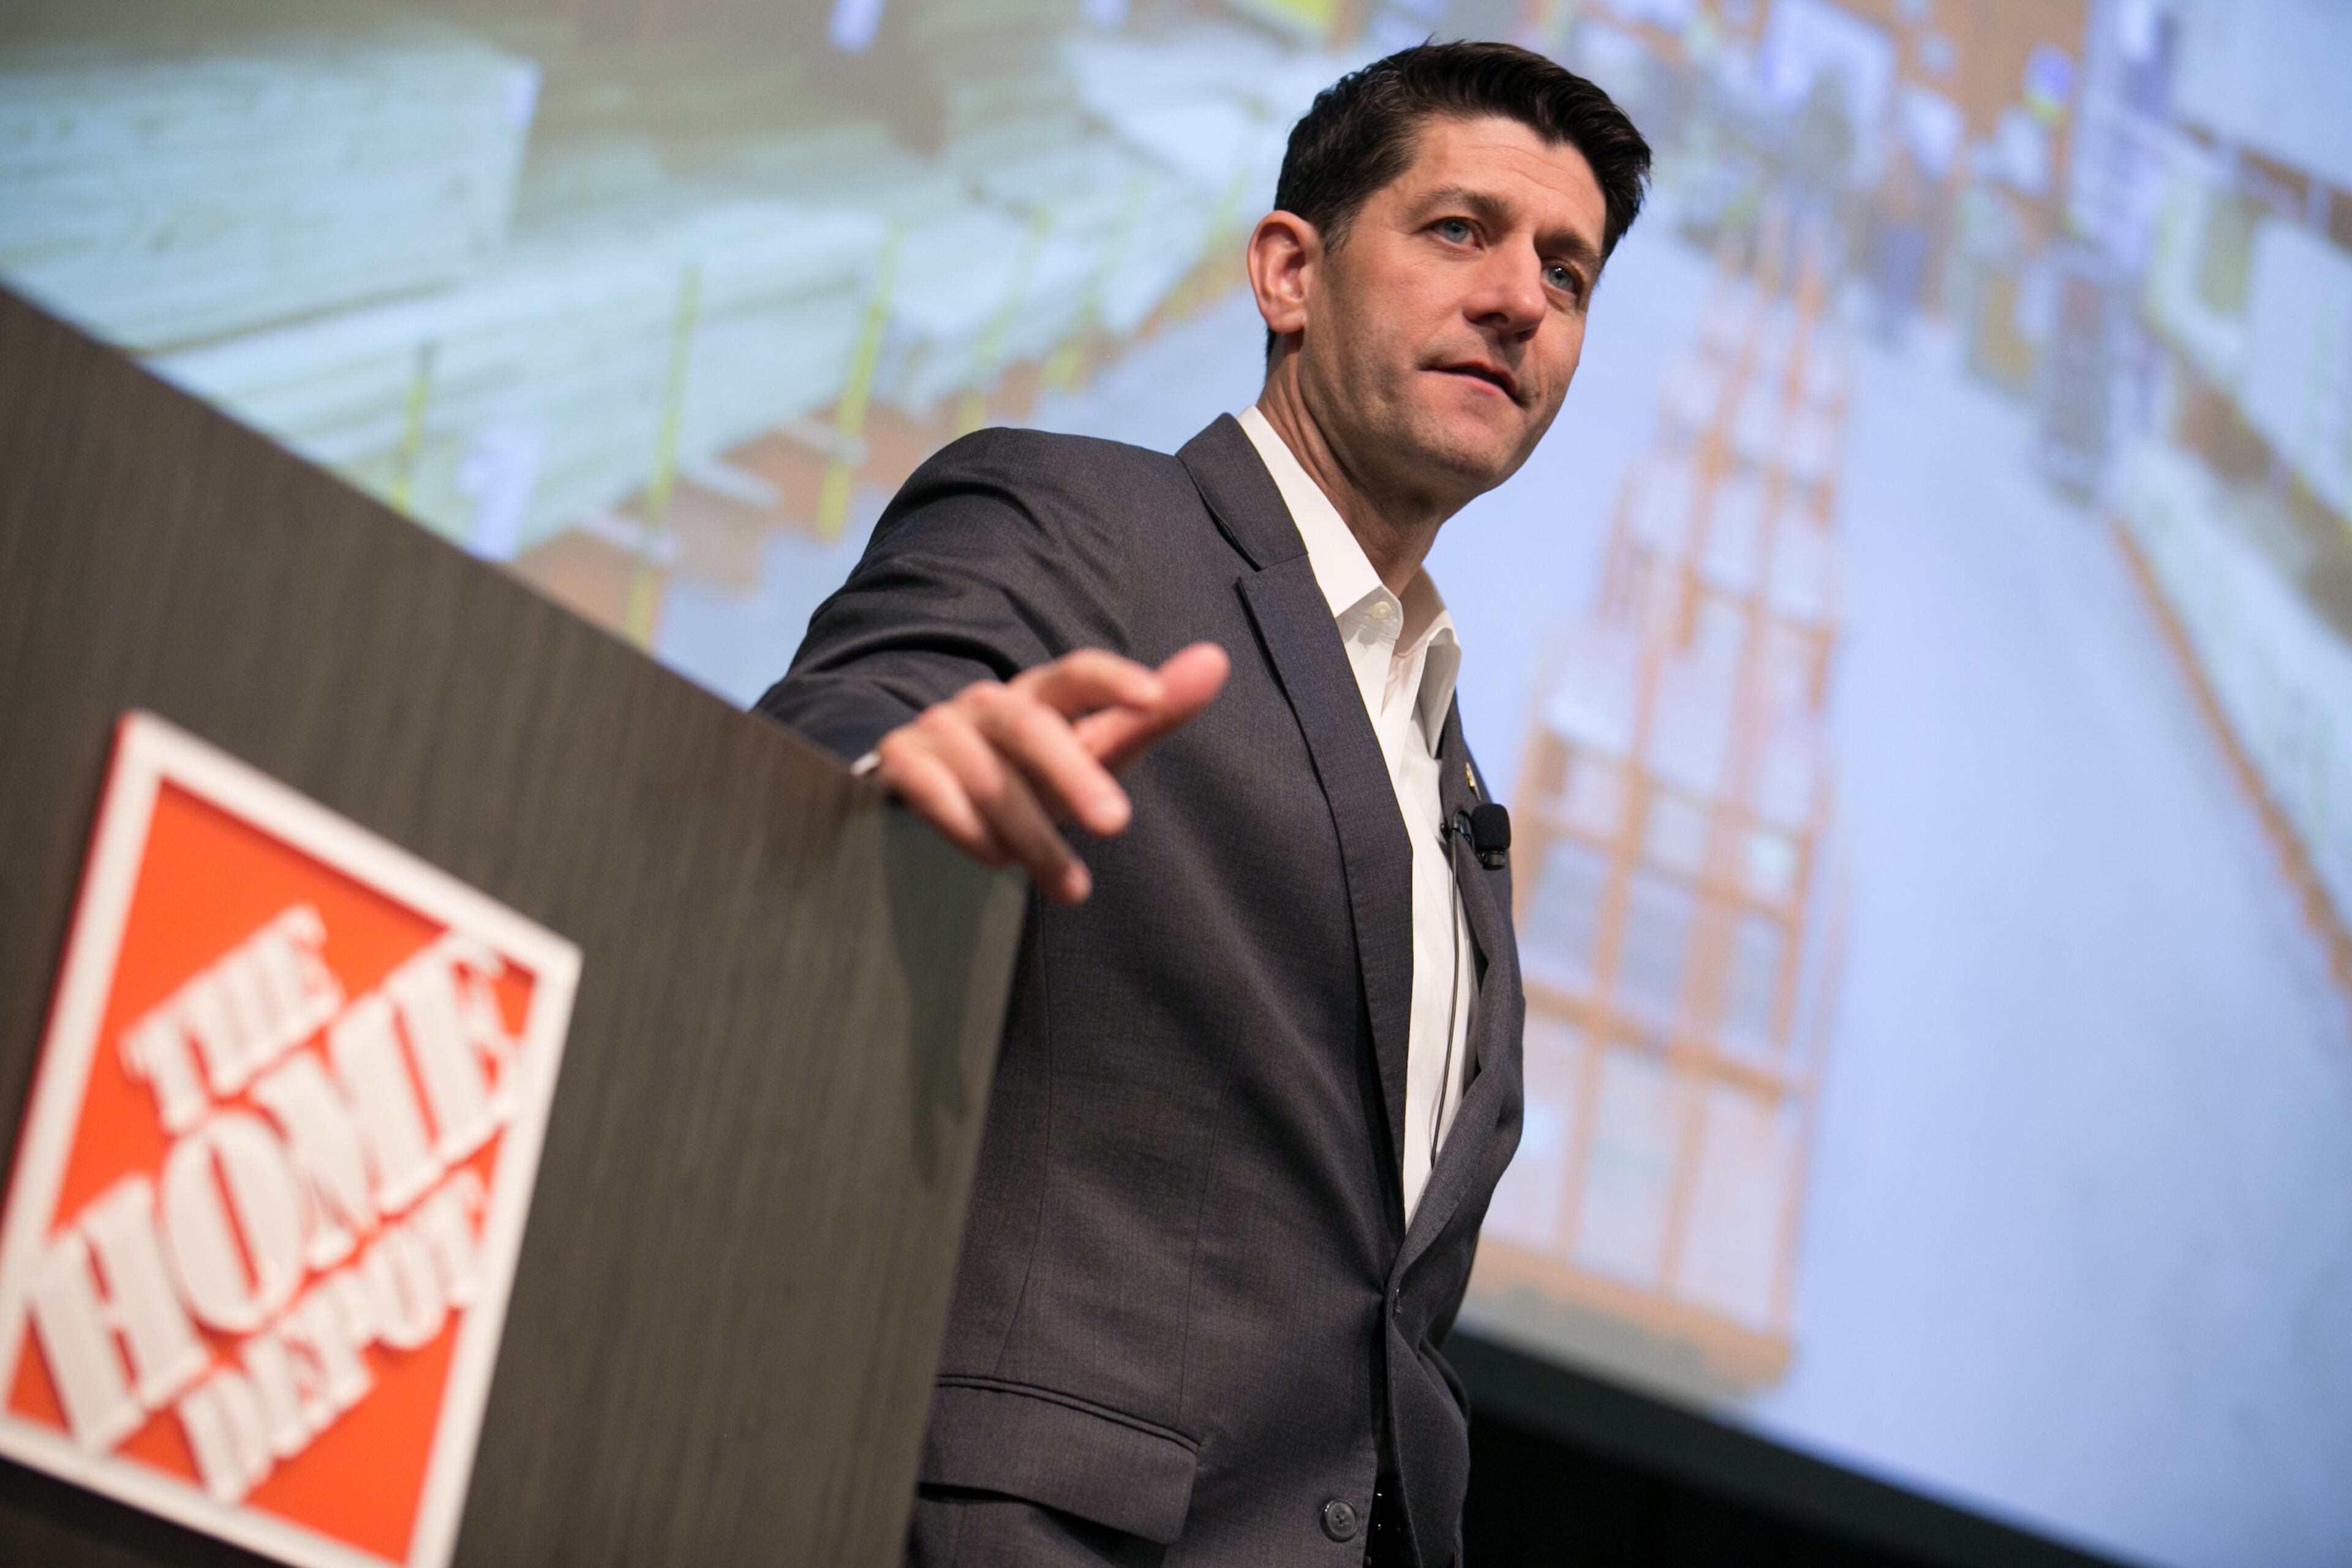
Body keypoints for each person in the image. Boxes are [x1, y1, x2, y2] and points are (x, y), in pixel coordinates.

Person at [758, 40, 1649, 1568]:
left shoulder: (1449, 773)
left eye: (1566, 275)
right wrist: (893, 766)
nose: (1520, 300)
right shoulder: (1085, 523)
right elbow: (861, 718)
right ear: (1288, 272)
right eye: (1460, 231)